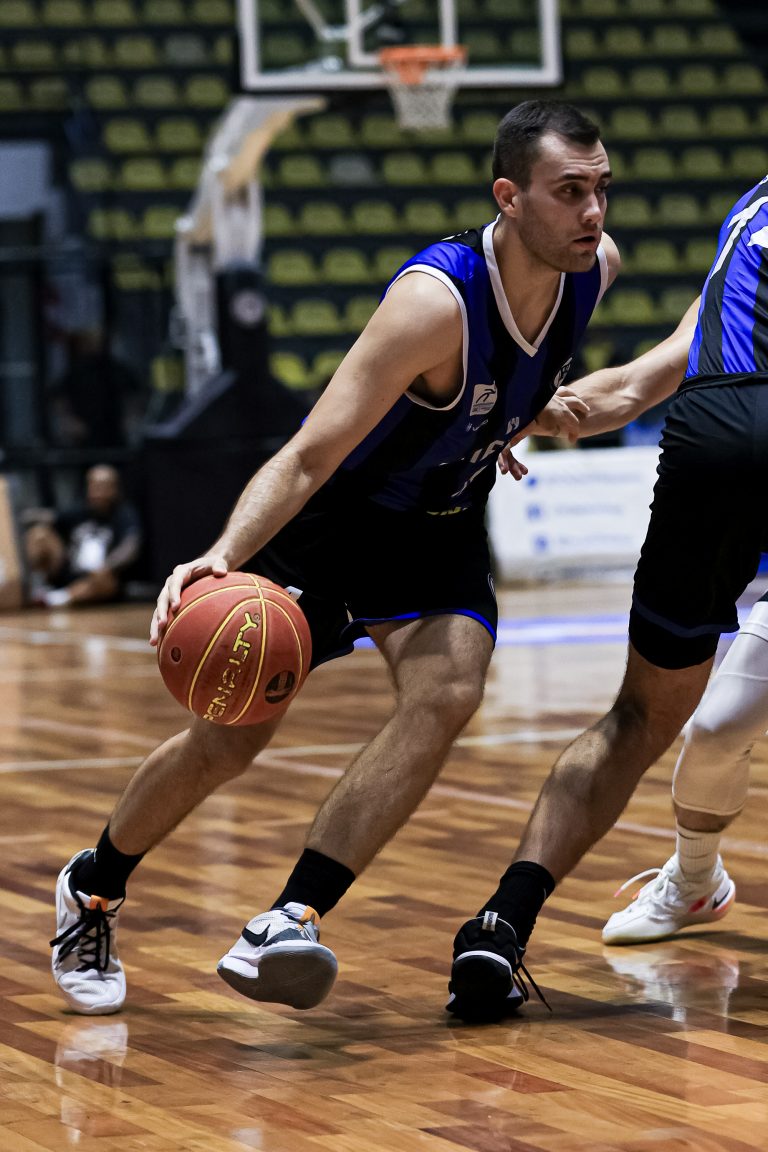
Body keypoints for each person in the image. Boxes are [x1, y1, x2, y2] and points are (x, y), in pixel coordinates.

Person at [49, 99, 619, 1016]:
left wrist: (519, 418)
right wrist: (221, 556)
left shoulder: (593, 272)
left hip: (439, 528)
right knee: (229, 739)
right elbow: (311, 453)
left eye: (600, 189)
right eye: (569, 192)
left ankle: (291, 917)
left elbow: (513, 381)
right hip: (335, 526)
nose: (592, 212)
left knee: (448, 690)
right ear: (509, 198)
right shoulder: (433, 303)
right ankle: (94, 884)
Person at [448, 172, 768, 1018]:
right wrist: (527, 413)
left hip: (727, 447)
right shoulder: (748, 220)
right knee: (692, 724)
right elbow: (633, 385)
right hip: (714, 455)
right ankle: (512, 920)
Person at [24, 464, 142, 608]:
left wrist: (108, 565)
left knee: (106, 582)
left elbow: (130, 545)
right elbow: (51, 517)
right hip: (69, 570)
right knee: (39, 534)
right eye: (93, 486)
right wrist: (23, 516)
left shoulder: (124, 514)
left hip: (99, 577)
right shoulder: (80, 510)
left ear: (114, 489)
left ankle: (60, 598)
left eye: (103, 487)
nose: (98, 492)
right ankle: (39, 586)